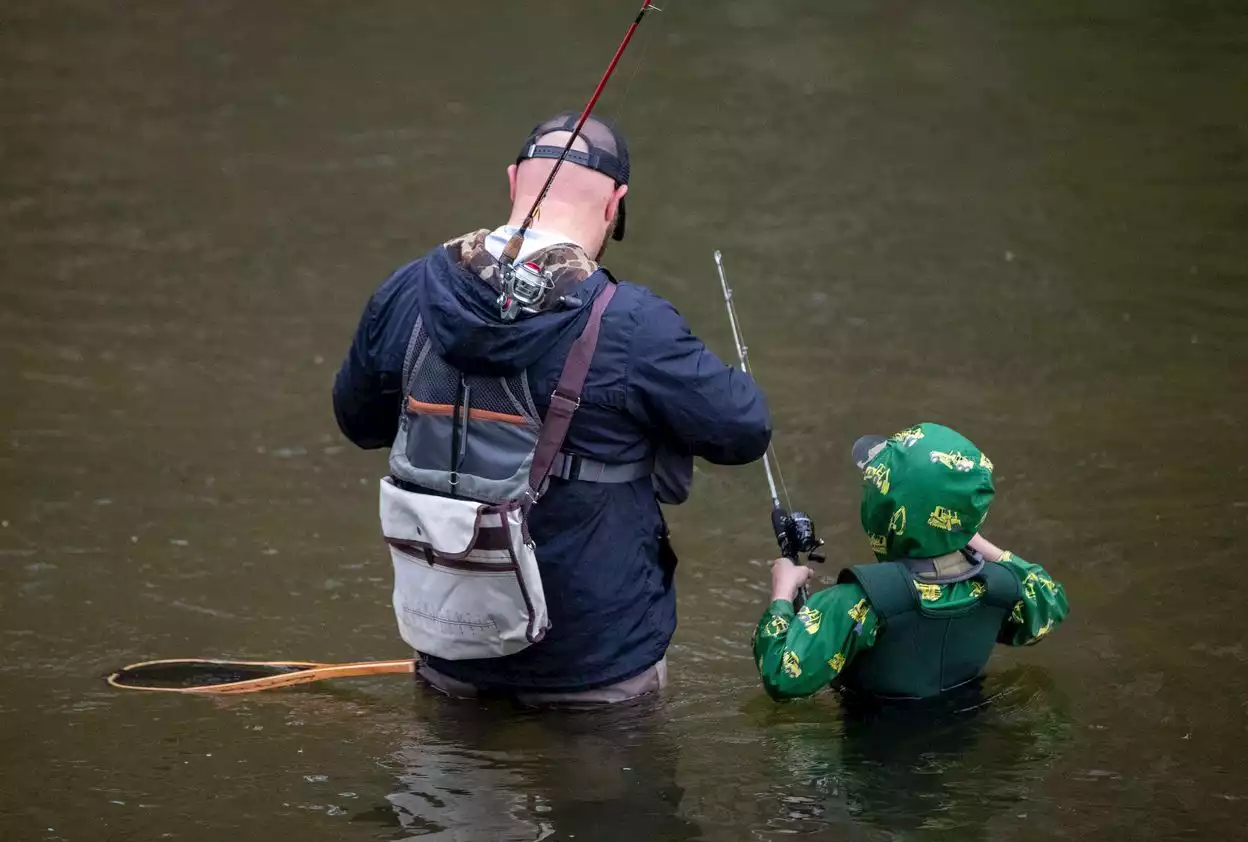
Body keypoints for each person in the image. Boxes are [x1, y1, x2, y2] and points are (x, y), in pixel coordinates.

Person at [333, 111, 771, 706]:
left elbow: (358, 423)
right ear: (616, 204)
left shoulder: (407, 291)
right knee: (605, 800)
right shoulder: (633, 323)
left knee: (445, 795)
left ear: (514, 180)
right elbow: (744, 431)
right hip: (597, 664)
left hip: (452, 646)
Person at [753, 423, 1068, 702]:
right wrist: (963, 534)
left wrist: (782, 593)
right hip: (966, 747)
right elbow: (1050, 603)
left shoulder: (858, 602)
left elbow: (782, 678)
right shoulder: (1000, 586)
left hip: (873, 762)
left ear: (880, 510)